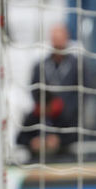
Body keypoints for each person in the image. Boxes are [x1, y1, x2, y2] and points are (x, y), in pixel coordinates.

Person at [17, 25, 79, 158]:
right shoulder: (34, 117)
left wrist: (59, 141)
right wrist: (32, 142)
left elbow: (75, 136)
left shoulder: (76, 65)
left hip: (64, 154)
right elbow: (20, 138)